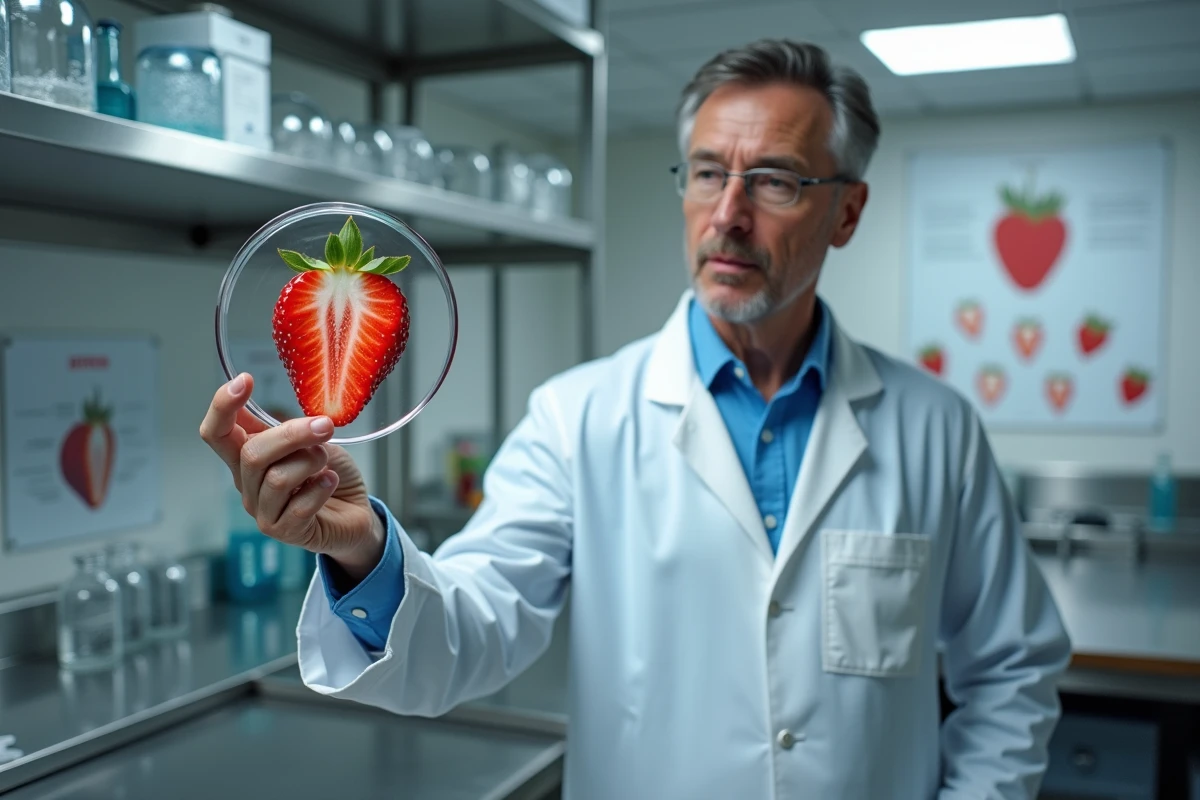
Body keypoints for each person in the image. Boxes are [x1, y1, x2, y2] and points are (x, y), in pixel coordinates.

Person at [200, 39, 1072, 799]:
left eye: (773, 181)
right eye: (706, 172)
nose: (728, 214)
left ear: (846, 210)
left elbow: (1012, 671)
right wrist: (358, 548)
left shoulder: (937, 431)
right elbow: (472, 631)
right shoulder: (578, 418)